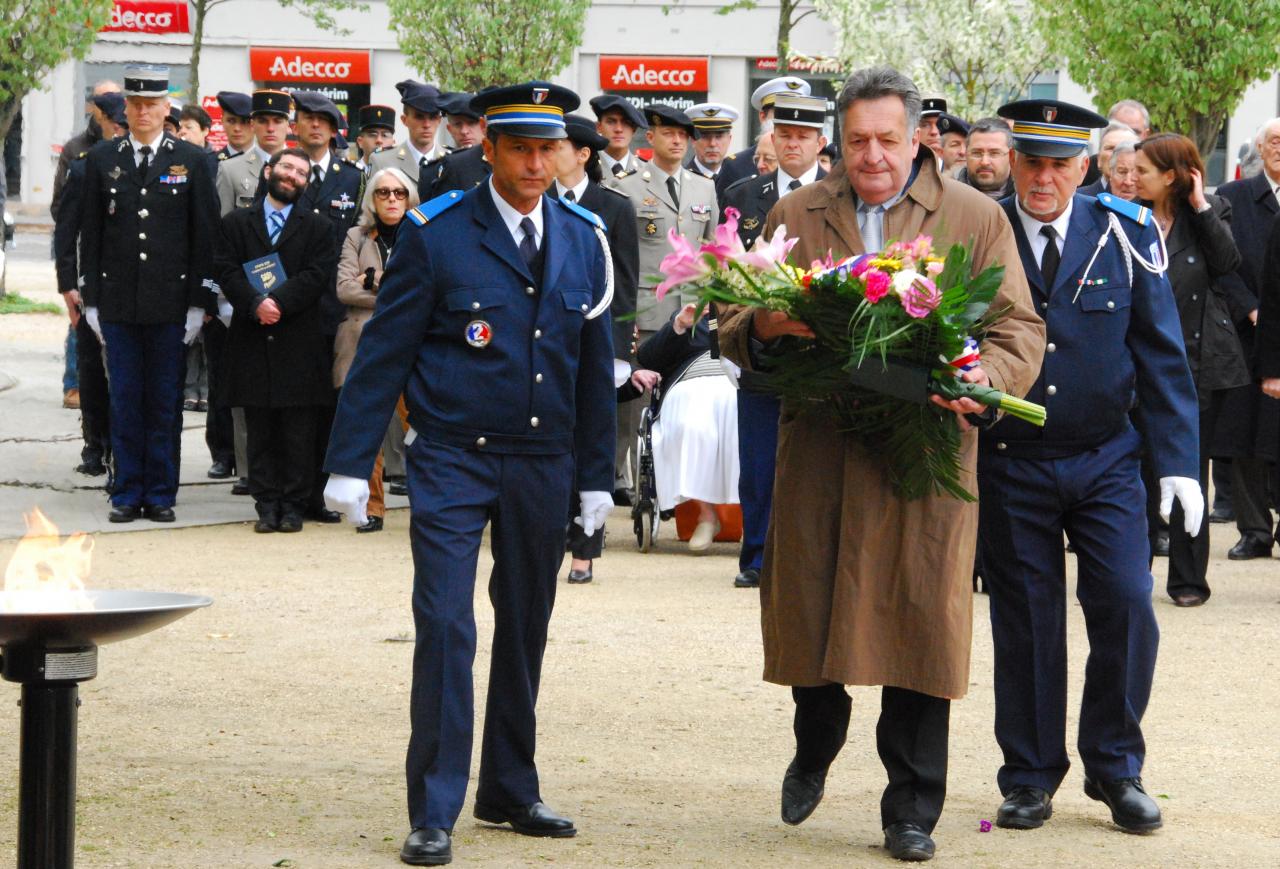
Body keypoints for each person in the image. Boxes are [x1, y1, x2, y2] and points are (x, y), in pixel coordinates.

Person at [717, 65, 1044, 862]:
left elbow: (1018, 331)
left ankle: (911, 808)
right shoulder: (796, 211)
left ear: (918, 139)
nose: (872, 156)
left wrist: (984, 380)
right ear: (839, 141)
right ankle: (816, 736)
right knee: (811, 613)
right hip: (822, 453)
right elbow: (732, 317)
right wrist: (765, 325)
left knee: (919, 625)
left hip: (922, 458)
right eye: (857, 140)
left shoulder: (972, 216)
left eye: (888, 140)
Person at [322, 81, 615, 867]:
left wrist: (597, 475)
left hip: (542, 457)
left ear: (562, 152)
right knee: (448, 625)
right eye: (517, 147)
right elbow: (387, 348)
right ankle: (436, 805)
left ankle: (510, 787)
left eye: (545, 147)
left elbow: (592, 366)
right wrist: (352, 460)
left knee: (525, 623)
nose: (533, 162)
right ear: (487, 149)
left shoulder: (584, 235)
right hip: (452, 451)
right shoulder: (437, 231)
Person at [978, 99, 1200, 836]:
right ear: (1012, 161)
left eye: (1059, 163)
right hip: (1012, 455)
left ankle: (1116, 765)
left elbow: (1161, 355)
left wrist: (1177, 464)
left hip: (1106, 456)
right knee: (1028, 620)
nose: (1044, 177)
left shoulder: (1124, 232)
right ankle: (1031, 775)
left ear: (1086, 166)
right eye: (1031, 160)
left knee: (1128, 602)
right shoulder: (983, 232)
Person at [79, 65, 219, 523]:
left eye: (151, 105)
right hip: (118, 302)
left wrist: (200, 301)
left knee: (163, 403)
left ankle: (159, 492)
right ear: (127, 109)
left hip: (171, 304)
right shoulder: (103, 158)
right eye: (135, 105)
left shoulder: (194, 160)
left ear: (165, 110)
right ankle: (126, 492)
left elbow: (205, 236)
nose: (143, 112)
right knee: (124, 400)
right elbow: (92, 233)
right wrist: (92, 299)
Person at [1132, 133, 1245, 604]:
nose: (1131, 176)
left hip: (1196, 361)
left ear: (1172, 175)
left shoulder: (1211, 211)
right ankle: (1131, 576)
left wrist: (1199, 203)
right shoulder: (1125, 215)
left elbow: (1228, 263)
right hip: (1137, 359)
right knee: (1134, 471)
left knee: (1189, 473)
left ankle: (1187, 580)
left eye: (1142, 170)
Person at [720, 93, 826, 588]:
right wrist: (730, 333)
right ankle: (757, 555)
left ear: (821, 143)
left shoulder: (841, 195)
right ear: (772, 138)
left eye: (804, 136)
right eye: (785, 134)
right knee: (760, 459)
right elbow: (723, 268)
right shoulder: (744, 195)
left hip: (821, 348)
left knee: (818, 461)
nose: (793, 144)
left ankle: (811, 556)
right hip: (761, 346)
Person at [214, 148, 338, 533]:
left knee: (298, 431)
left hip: (300, 342)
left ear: (306, 183)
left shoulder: (319, 228)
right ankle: (266, 504)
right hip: (251, 338)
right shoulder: (237, 223)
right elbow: (224, 268)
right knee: (260, 427)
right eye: (287, 167)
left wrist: (278, 303)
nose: (292, 176)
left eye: (301, 172)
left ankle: (294, 505)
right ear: (270, 170)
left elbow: (317, 275)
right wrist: (255, 304)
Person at [608, 103, 718, 504]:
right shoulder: (628, 185)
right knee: (635, 399)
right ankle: (624, 479)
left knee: (683, 397)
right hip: (646, 307)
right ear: (649, 137)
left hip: (691, 309)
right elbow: (621, 253)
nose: (677, 141)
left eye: (683, 135)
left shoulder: (703, 187)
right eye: (668, 133)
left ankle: (674, 487)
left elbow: (711, 249)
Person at [553, 113, 641, 582]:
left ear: (584, 154)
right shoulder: (538, 199)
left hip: (598, 338)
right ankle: (549, 537)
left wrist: (620, 354)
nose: (547, 154)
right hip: (549, 341)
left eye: (558, 146)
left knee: (593, 439)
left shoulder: (613, 206)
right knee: (551, 440)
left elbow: (624, 283)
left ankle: (586, 545)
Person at [333, 167, 420, 534]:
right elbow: (345, 289)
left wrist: (373, 279)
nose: (391, 200)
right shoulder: (357, 235)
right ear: (372, 199)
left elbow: (425, 289)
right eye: (383, 193)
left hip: (412, 343)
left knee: (419, 429)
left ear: (410, 198)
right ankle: (371, 507)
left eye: (399, 193)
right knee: (366, 427)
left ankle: (430, 505)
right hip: (363, 341)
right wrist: (397, 291)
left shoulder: (423, 233)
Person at [1214, 117, 1280, 559]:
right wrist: (1251, 308)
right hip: (1249, 334)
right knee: (1247, 436)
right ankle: (1254, 529)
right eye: (1274, 141)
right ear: (1260, 148)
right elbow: (1223, 263)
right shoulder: (1235, 197)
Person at [54, 92, 127, 479]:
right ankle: (94, 444)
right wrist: (68, 285)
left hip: (126, 288)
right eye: (117, 122)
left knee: (123, 376)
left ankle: (119, 449)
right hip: (89, 287)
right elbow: (65, 231)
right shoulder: (83, 165)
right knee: (93, 373)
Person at [639, 303, 739, 549]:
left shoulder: (756, 316)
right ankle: (706, 515)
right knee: (693, 423)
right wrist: (679, 325)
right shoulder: (693, 319)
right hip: (689, 383)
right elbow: (647, 357)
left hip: (736, 384)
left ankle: (754, 523)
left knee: (739, 426)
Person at [715, 76, 811, 198]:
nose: (788, 120)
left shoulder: (812, 162)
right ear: (762, 117)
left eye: (795, 114)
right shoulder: (736, 167)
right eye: (780, 113)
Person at [52, 79, 122, 222]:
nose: (109, 106)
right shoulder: (74, 148)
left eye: (115, 100)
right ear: (92, 106)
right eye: (102, 101)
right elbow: (60, 205)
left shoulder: (132, 144)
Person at [217, 89, 292, 215]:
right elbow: (224, 224)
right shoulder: (230, 169)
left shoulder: (303, 168)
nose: (270, 128)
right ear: (252, 125)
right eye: (262, 121)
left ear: (288, 125)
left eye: (277, 121)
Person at [369, 80, 447, 185]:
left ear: (439, 120)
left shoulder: (452, 161)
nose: (427, 125)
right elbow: (371, 201)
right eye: (419, 117)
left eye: (433, 117)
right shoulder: (382, 161)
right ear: (404, 120)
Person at [420, 93, 492, 200]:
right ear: (449, 129)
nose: (464, 131)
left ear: (483, 125)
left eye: (471, 123)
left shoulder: (499, 162)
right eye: (458, 124)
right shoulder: (434, 170)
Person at [589, 94, 648, 177]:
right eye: (611, 122)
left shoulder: (647, 172)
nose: (618, 129)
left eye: (626, 123)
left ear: (634, 129)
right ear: (599, 127)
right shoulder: (584, 168)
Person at [956, 117, 1014, 200]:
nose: (984, 162)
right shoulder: (945, 196)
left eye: (994, 153)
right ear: (966, 154)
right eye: (976, 153)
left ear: (1011, 156)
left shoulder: (1024, 204)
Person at [1079, 122, 1139, 196]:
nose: (1117, 155)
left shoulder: (1152, 201)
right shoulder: (1075, 199)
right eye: (1110, 148)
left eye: (1125, 149)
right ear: (1099, 159)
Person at [685, 102, 739, 179]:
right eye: (705, 136)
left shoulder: (738, 179)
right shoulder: (681, 182)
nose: (712, 144)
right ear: (693, 140)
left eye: (719, 137)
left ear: (729, 140)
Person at [353, 104, 396, 173]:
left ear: (393, 144)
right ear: (360, 142)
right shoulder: (348, 175)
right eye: (372, 135)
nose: (379, 140)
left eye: (385, 135)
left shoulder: (399, 177)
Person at [214, 91, 254, 161]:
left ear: (255, 124)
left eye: (244, 122)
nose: (237, 128)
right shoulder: (209, 163)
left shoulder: (268, 162)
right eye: (231, 121)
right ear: (222, 121)